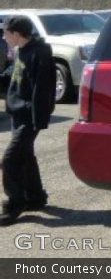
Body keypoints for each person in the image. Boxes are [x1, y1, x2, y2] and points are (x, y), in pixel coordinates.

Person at [1, 15, 55, 225]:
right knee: (26, 156)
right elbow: (13, 76)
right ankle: (35, 197)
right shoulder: (21, 50)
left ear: (16, 34)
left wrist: (37, 120)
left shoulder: (39, 53)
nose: (4, 37)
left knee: (10, 160)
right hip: (17, 113)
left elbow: (43, 89)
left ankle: (15, 204)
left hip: (29, 117)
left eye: (6, 33)